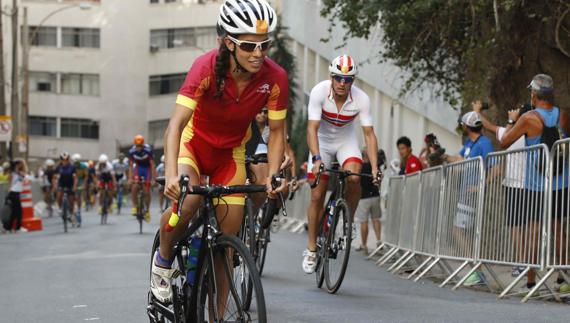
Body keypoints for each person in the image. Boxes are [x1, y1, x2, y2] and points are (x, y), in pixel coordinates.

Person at [152, 0, 287, 305]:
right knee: (189, 202)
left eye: (264, 45)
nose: (259, 54)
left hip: (230, 154)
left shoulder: (275, 77)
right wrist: (172, 175)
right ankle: (162, 261)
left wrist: (274, 175)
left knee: (228, 242)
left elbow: (277, 132)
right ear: (228, 43)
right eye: (249, 46)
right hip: (193, 146)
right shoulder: (205, 67)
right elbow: (175, 126)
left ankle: (216, 315)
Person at [304, 54, 380, 274]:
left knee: (355, 177)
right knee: (317, 195)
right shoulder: (320, 91)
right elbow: (312, 129)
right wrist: (317, 158)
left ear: (353, 81)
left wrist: (375, 168)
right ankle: (310, 248)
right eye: (338, 78)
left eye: (348, 80)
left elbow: (369, 135)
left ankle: (347, 222)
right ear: (331, 77)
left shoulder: (361, 99)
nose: (342, 84)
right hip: (322, 143)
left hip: (346, 141)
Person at [498, 74, 570, 293]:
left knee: (533, 232)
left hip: (536, 184)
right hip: (562, 182)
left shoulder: (528, 118)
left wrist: (512, 121)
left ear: (534, 94)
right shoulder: (563, 115)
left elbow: (504, 142)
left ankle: (532, 284)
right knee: (559, 231)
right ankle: (564, 279)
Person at [445, 111, 494, 286]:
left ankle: (477, 270)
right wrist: (444, 156)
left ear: (467, 126)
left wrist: (481, 186)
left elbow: (496, 167)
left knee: (461, 230)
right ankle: (475, 269)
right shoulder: (469, 144)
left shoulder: (484, 143)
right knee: (463, 231)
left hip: (473, 195)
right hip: (465, 194)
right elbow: (459, 161)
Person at [354, 149, 382, 255]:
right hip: (375, 195)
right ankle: (379, 242)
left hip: (363, 197)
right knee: (376, 219)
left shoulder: (359, 166)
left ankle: (364, 245)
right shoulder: (374, 166)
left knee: (364, 221)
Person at [128, 135, 156, 222]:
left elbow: (152, 165)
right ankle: (135, 206)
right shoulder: (132, 151)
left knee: (146, 190)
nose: (138, 148)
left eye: (140, 146)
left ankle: (147, 210)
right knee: (135, 186)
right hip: (138, 168)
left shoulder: (148, 150)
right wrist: (130, 178)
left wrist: (153, 179)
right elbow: (131, 166)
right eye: (137, 146)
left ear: (143, 145)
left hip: (147, 169)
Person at [52, 152, 78, 226]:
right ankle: (60, 208)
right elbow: (54, 178)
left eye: (66, 159)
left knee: (71, 201)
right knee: (59, 194)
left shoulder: (72, 167)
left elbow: (75, 178)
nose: (64, 161)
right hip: (62, 184)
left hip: (70, 184)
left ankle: (72, 214)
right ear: (60, 159)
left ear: (68, 159)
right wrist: (54, 186)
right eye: (63, 159)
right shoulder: (58, 167)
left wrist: (74, 186)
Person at [6, 159, 27, 232]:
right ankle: (18, 228)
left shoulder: (20, 173)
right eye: (19, 164)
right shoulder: (12, 173)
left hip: (16, 193)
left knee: (14, 212)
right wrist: (13, 171)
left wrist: (17, 171)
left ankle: (9, 228)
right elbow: (9, 181)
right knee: (19, 211)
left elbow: (24, 176)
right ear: (16, 165)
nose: (21, 165)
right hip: (13, 193)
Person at [72, 153, 88, 227]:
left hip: (81, 180)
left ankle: (78, 208)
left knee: (78, 196)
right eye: (75, 163)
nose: (76, 164)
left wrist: (83, 185)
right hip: (73, 180)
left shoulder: (84, 166)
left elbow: (86, 177)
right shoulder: (72, 167)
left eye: (77, 163)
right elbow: (72, 177)